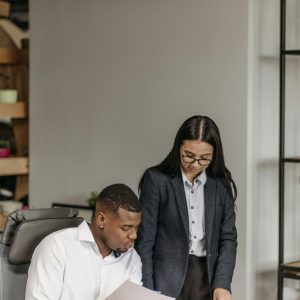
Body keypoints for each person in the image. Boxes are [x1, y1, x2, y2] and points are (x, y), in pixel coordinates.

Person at [135, 115, 237, 300]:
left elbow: (228, 238)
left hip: (207, 278)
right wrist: (146, 291)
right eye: (188, 155)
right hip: (165, 279)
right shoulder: (157, 180)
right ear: (178, 148)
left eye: (205, 158)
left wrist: (223, 284)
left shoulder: (221, 185)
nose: (195, 164)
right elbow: (144, 241)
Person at [25, 184, 142, 300]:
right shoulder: (56, 247)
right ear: (101, 219)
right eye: (126, 228)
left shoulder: (132, 259)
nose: (134, 235)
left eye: (136, 227)